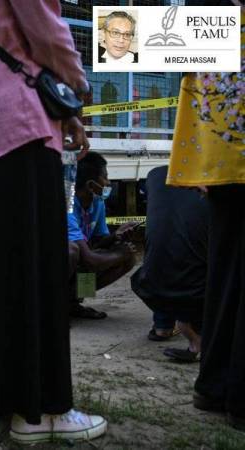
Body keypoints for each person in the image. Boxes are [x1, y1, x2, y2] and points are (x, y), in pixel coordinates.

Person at [0, 0, 108, 443]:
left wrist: (63, 110)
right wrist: (77, 87)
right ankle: (41, 411)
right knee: (36, 274)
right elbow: (47, 33)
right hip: (19, 133)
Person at [166, 0, 244, 430]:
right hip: (228, 162)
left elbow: (117, 40)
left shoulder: (211, 24)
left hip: (218, 164)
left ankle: (213, 387)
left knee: (226, 273)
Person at [131, 166, 208, 363]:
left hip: (152, 286)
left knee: (161, 262)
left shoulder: (155, 176)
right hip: (194, 294)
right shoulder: (209, 183)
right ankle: (197, 338)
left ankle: (163, 327)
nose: (106, 184)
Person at [67, 152, 137, 319]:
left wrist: (116, 236)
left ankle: (71, 303)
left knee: (126, 257)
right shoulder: (67, 205)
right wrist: (120, 253)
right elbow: (90, 260)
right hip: (50, 265)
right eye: (105, 177)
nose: (108, 182)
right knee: (71, 251)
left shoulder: (97, 201)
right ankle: (50, 306)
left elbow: (97, 241)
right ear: (91, 186)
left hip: (81, 257)